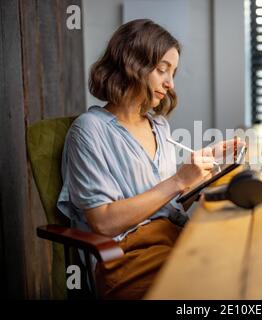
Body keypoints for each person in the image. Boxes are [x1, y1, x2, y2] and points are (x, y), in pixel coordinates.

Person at [57, 19, 240, 299]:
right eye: (162, 70)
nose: (170, 83)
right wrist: (178, 180)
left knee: (245, 259)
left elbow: (165, 201)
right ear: (133, 65)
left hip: (171, 238)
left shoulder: (160, 127)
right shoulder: (89, 130)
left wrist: (203, 178)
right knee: (222, 285)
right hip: (126, 258)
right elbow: (103, 223)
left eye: (173, 72)